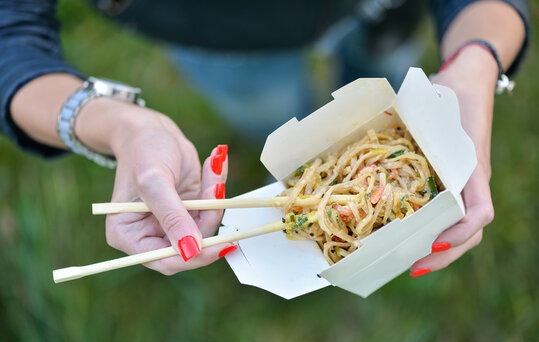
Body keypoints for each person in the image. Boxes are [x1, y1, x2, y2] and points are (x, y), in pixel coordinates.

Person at [0, 1, 529, 278]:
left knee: (387, 66)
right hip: (218, 38)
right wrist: (119, 125)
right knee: (272, 113)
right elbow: (10, 35)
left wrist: (474, 63)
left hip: (381, 10)